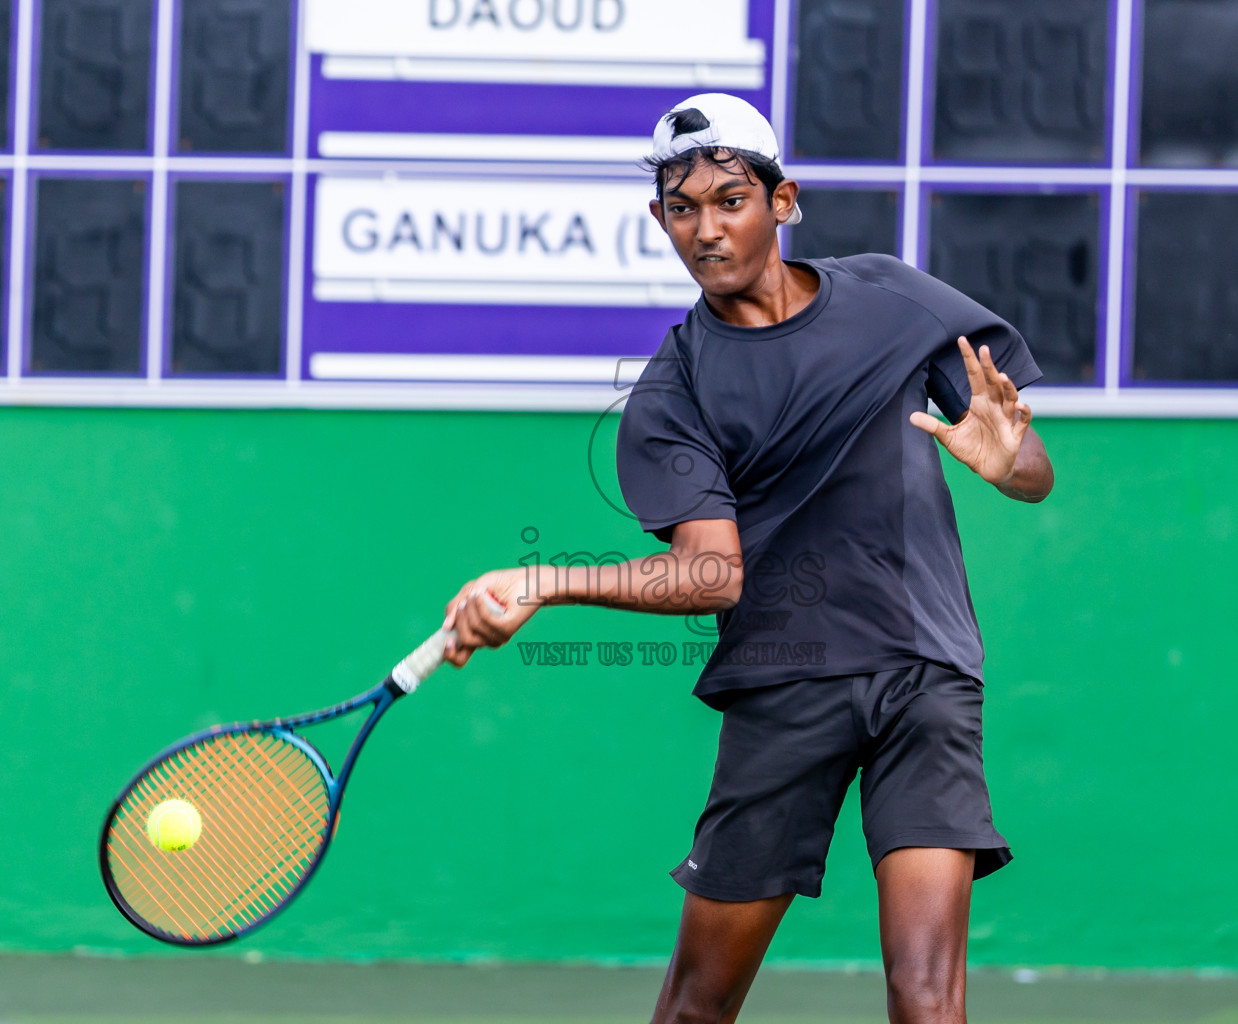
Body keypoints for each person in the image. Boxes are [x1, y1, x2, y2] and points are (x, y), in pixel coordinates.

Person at [443, 93, 1054, 1024]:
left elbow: (1034, 474)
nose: (707, 229)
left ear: (784, 199)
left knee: (928, 1001)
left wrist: (1011, 467)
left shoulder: (893, 299)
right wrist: (544, 581)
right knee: (697, 1007)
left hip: (924, 674)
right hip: (785, 687)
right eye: (682, 210)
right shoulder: (673, 390)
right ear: (659, 219)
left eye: (731, 200)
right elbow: (711, 574)